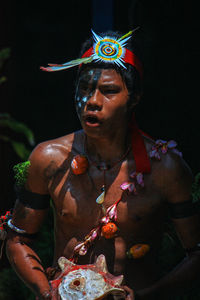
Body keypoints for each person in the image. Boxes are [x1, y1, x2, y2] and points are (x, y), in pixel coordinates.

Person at [5, 29, 200, 300]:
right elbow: (18, 239)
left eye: (108, 91)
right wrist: (46, 292)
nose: (92, 101)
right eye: (84, 89)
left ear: (134, 97)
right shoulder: (48, 158)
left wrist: (148, 296)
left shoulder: (166, 168)